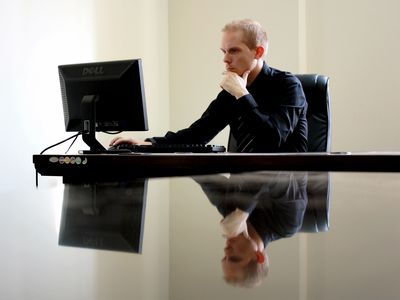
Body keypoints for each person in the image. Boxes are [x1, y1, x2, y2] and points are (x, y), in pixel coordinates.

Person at [110, 19, 308, 152]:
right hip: (242, 190)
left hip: (283, 194)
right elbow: (197, 134)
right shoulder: (232, 91)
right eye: (223, 51)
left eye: (234, 51)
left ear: (258, 52)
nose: (226, 59)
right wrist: (148, 144)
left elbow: (272, 140)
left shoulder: (288, 86)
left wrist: (241, 94)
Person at [193, 171, 308, 287]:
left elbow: (204, 176)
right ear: (259, 256)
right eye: (234, 258)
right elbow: (272, 170)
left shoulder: (230, 214)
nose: (226, 250)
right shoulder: (287, 224)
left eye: (224, 257)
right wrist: (242, 213)